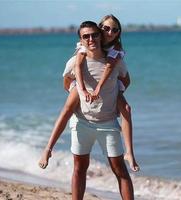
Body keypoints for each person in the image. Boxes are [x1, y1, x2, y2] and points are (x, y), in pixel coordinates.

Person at [40, 21, 135, 200]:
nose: (91, 39)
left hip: (108, 125)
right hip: (81, 123)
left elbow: (126, 80)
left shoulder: (116, 61)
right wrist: (78, 91)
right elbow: (66, 82)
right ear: (81, 40)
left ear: (99, 35)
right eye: (86, 36)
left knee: (120, 170)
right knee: (79, 168)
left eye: (94, 35)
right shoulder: (75, 61)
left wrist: (115, 93)